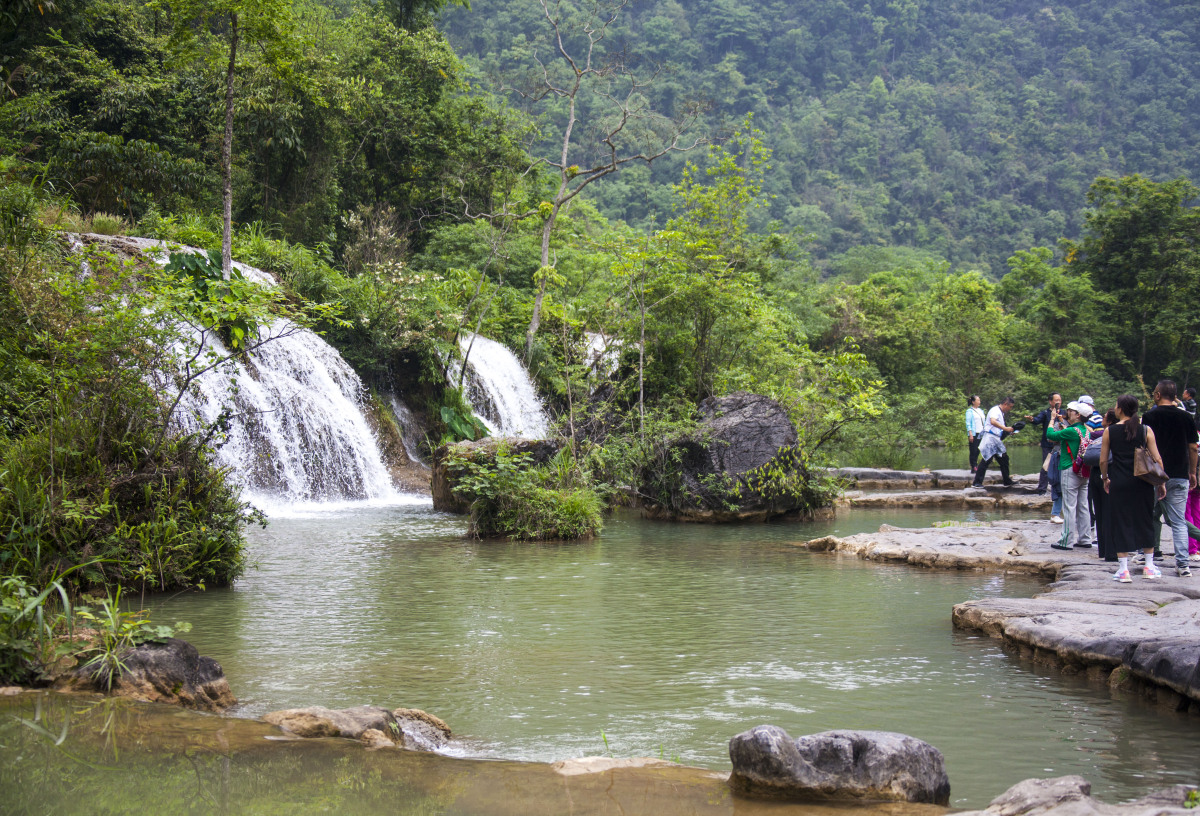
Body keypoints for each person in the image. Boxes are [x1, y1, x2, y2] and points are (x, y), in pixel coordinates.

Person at [1101, 394, 1166, 581]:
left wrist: (1105, 478)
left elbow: (1104, 459)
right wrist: (1160, 483)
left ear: (1120, 409)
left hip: (1119, 483)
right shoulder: (1145, 430)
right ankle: (1149, 566)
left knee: (1120, 521)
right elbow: (1157, 459)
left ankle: (1124, 570)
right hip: (1143, 483)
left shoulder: (1110, 431)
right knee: (1145, 520)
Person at [1141, 379, 1199, 577]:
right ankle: (1183, 564)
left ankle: (1146, 555)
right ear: (1175, 396)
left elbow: (1144, 447)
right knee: (1178, 521)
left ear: (1157, 395)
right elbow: (1193, 447)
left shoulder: (1149, 416)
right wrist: (1192, 472)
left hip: (1155, 474)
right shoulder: (1186, 418)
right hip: (1180, 473)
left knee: (1150, 514)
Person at [1047, 401, 1094, 551]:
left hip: (1069, 469)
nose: (1068, 413)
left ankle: (1066, 541)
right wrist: (1063, 422)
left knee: (1069, 506)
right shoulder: (1085, 431)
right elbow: (1070, 433)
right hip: (1083, 471)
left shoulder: (1072, 431)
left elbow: (1050, 435)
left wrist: (1052, 419)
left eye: (1071, 411)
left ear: (1078, 415)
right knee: (1083, 506)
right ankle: (1085, 538)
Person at [972, 396, 1017, 488]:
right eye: (1010, 406)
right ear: (1005, 404)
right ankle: (977, 482)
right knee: (986, 460)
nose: (1010, 409)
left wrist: (1008, 431)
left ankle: (1007, 481)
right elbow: (992, 421)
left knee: (1004, 459)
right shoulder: (995, 410)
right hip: (990, 439)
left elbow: (997, 428)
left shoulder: (1001, 413)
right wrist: (1005, 428)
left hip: (996, 440)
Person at [1092, 410, 1117, 562]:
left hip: (1100, 472)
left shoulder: (1107, 432)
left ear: (1109, 420)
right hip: (1109, 473)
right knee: (1108, 512)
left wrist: (1104, 475)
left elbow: (1103, 459)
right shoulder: (1120, 432)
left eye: (1104, 416)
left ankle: (1104, 550)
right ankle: (1111, 551)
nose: (1101, 418)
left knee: (1101, 512)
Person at [1027, 393, 1062, 495]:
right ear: (1050, 402)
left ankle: (1059, 488)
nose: (1058, 402)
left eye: (1059, 400)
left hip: (1060, 444)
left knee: (1060, 465)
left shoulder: (1063, 413)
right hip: (1048, 444)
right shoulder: (1046, 413)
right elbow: (1037, 420)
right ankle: (1042, 489)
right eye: (1056, 400)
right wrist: (1032, 419)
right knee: (1046, 466)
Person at [965, 395, 985, 473]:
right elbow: (968, 423)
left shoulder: (981, 410)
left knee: (978, 450)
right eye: (978, 400)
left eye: (979, 400)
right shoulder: (970, 411)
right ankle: (973, 466)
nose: (979, 402)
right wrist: (970, 434)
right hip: (974, 433)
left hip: (981, 432)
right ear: (973, 402)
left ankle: (976, 465)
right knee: (973, 450)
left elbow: (984, 421)